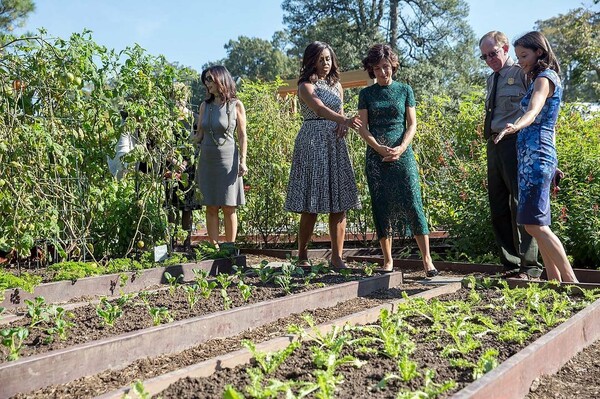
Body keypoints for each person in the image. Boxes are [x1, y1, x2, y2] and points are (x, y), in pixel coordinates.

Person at [494, 31, 577, 283]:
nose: (520, 61)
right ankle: (554, 281)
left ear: (539, 52)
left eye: (524, 55)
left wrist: (516, 125)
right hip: (534, 156)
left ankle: (573, 282)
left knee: (535, 225)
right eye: (518, 56)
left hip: (536, 157)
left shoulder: (544, 79)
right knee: (536, 222)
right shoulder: (538, 78)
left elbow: (533, 110)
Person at [356, 44, 438, 277]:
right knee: (381, 205)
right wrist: (379, 148)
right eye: (377, 68)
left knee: (413, 202)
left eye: (386, 67)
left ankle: (427, 260)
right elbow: (363, 128)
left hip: (403, 156)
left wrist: (401, 148)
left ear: (392, 65)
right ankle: (388, 260)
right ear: (371, 70)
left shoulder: (405, 90)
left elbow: (412, 124)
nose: (383, 72)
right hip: (376, 158)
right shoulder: (366, 94)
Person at [284, 41, 362, 268]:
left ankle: (337, 258)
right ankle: (302, 255)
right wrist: (343, 120)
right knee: (312, 202)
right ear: (311, 61)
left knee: (339, 200)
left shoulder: (337, 85)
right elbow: (319, 109)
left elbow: (338, 111)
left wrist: (343, 125)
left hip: (334, 143)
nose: (325, 63)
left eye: (328, 58)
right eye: (320, 59)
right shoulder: (305, 86)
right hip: (312, 141)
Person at [479, 31, 543, 279]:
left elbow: (535, 110)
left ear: (505, 48)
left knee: (521, 204)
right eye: (484, 56)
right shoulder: (490, 79)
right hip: (494, 144)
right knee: (498, 206)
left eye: (493, 53)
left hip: (516, 142)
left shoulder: (522, 73)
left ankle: (530, 267)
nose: (489, 59)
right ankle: (511, 265)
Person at [193, 66, 247, 248]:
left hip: (228, 160)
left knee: (229, 206)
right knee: (211, 206)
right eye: (205, 81)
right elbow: (199, 135)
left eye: (209, 79)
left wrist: (243, 161)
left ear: (220, 79)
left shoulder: (235, 105)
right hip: (207, 160)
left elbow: (242, 135)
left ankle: (230, 249)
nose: (206, 84)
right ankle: (214, 248)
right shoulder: (204, 106)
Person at [164, 82, 201, 248]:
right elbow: (161, 143)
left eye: (181, 99)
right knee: (171, 205)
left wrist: (185, 161)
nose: (178, 102)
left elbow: (198, 142)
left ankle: (187, 242)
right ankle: (171, 241)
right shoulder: (165, 120)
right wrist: (173, 160)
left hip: (189, 167)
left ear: (186, 99)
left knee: (188, 206)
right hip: (170, 167)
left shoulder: (194, 118)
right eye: (174, 98)